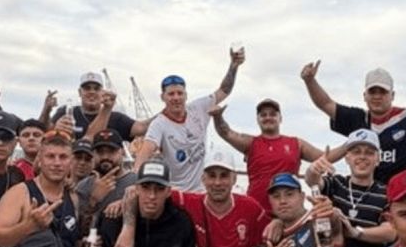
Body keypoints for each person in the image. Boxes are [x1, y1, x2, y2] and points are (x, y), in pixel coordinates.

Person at [301, 62, 406, 183]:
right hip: (365, 192)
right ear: (364, 95)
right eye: (372, 92)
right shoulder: (357, 118)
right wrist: (310, 81)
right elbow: (326, 104)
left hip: (402, 194)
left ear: (392, 95)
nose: (377, 96)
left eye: (382, 92)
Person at [138, 48, 246, 191]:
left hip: (202, 190)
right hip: (176, 191)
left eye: (180, 93)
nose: (176, 98)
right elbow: (145, 152)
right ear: (162, 97)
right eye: (171, 94)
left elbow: (224, 91)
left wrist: (234, 66)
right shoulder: (159, 124)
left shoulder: (198, 108)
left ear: (186, 95)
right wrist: (134, 183)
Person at [210, 98, 336, 214]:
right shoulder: (250, 143)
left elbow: (326, 157)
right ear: (258, 119)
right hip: (256, 212)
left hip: (288, 213)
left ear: (280, 118)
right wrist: (217, 117)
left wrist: (346, 145)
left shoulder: (296, 143)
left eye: (272, 114)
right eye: (263, 115)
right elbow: (226, 133)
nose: (268, 117)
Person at [51, 71, 152, 141]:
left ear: (102, 92)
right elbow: (45, 131)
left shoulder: (116, 118)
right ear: (79, 92)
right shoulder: (66, 113)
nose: (92, 92)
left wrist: (162, 113)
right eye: (87, 88)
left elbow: (142, 127)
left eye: (96, 88)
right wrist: (54, 128)